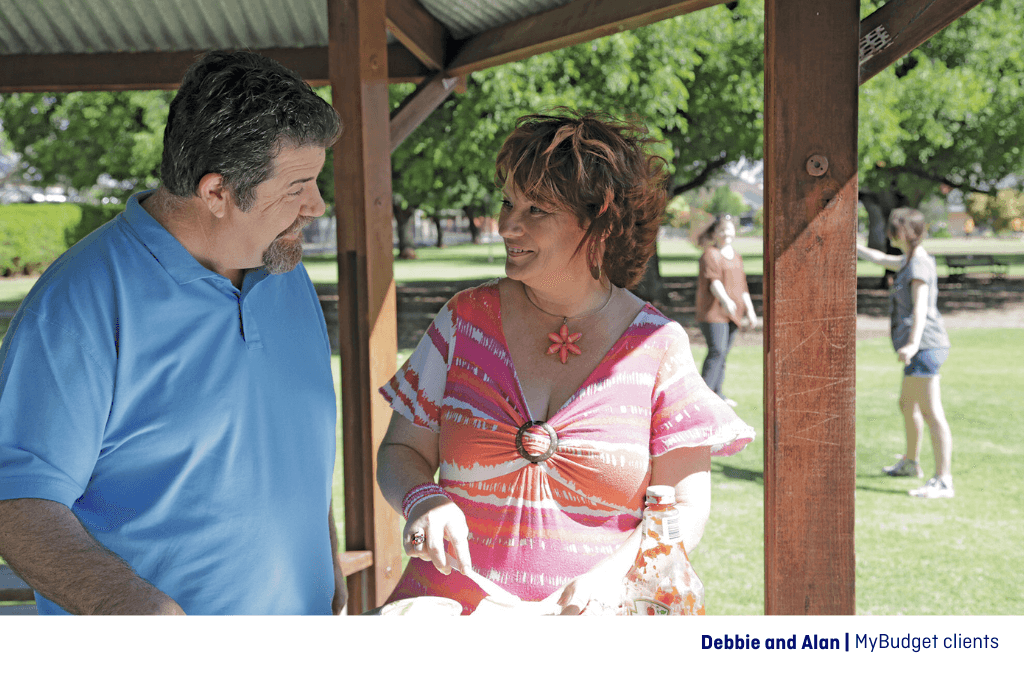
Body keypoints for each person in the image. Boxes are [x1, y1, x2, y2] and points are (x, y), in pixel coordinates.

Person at [0, 51, 346, 614]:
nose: (316, 203)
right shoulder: (78, 304)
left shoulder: (285, 271)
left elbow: (281, 442)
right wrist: (132, 609)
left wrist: (324, 556)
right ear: (216, 193)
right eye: (298, 186)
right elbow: (16, 498)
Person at [376, 110, 755, 615]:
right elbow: (401, 449)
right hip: (450, 622)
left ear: (600, 220)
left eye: (537, 210)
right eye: (509, 202)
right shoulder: (463, 320)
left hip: (595, 628)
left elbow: (686, 506)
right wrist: (425, 499)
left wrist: (613, 574)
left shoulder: (659, 344)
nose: (509, 224)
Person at [857, 207, 954, 499]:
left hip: (925, 347)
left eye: (894, 227)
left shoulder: (919, 265)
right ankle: (911, 462)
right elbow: (881, 258)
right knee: (906, 405)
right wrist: (853, 245)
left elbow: (921, 308)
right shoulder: (909, 260)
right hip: (922, 348)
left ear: (906, 232)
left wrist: (912, 344)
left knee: (931, 412)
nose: (890, 232)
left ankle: (943, 479)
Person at [693, 214, 758, 407]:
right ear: (715, 233)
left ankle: (717, 393)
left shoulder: (736, 256)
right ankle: (702, 397)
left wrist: (751, 311)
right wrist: (725, 300)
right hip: (714, 313)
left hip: (733, 313)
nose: (726, 233)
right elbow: (714, 283)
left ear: (734, 231)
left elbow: (742, 287)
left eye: (729, 229)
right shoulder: (710, 254)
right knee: (717, 351)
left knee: (723, 354)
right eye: (721, 230)